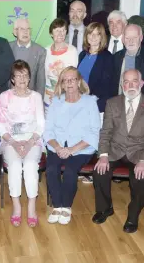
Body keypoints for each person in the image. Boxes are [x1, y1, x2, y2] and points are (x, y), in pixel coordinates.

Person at [92, 69, 144, 234]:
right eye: (126, 82)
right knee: (100, 172)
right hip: (115, 149)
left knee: (142, 177)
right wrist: (103, 156)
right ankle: (105, 208)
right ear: (122, 84)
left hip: (140, 152)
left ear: (141, 83)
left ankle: (133, 215)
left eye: (134, 81)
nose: (130, 85)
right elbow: (106, 132)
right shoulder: (112, 103)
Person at [43, 67, 100, 225]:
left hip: (81, 148)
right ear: (61, 83)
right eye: (65, 80)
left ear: (79, 81)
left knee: (69, 171)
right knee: (51, 169)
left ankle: (66, 207)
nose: (69, 82)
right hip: (58, 146)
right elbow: (48, 130)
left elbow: (94, 132)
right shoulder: (55, 101)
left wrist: (71, 150)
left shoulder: (90, 102)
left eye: (72, 79)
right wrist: (58, 147)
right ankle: (57, 205)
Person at [0, 60, 45, 227]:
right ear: (12, 79)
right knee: (15, 165)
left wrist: (31, 142)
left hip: (33, 140)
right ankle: (16, 206)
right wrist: (14, 143)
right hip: (11, 141)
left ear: (30, 78)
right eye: (18, 75)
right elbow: (0, 124)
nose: (22, 79)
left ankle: (31, 207)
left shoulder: (36, 97)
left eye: (25, 75)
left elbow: (41, 124)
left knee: (31, 164)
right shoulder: (4, 96)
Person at [112, 24, 144, 103]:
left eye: (134, 38)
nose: (131, 41)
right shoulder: (116, 57)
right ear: (122, 39)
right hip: (119, 105)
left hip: (143, 106)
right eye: (127, 38)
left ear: (141, 38)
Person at [77, 22, 115, 113]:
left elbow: (107, 87)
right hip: (78, 102)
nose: (93, 37)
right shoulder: (82, 54)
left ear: (101, 37)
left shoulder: (107, 57)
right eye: (90, 33)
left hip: (95, 105)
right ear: (86, 36)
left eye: (97, 34)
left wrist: (93, 104)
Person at [44, 18, 78, 112]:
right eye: (57, 30)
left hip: (65, 97)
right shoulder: (45, 51)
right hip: (48, 97)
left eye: (63, 30)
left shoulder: (72, 51)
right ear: (51, 33)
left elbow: (72, 78)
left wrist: (59, 93)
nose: (60, 34)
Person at [9, 18, 46, 97]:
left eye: (28, 29)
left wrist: (38, 100)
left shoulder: (40, 51)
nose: (25, 32)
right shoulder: (7, 47)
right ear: (15, 32)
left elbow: (41, 82)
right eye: (22, 29)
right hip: (11, 97)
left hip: (30, 99)